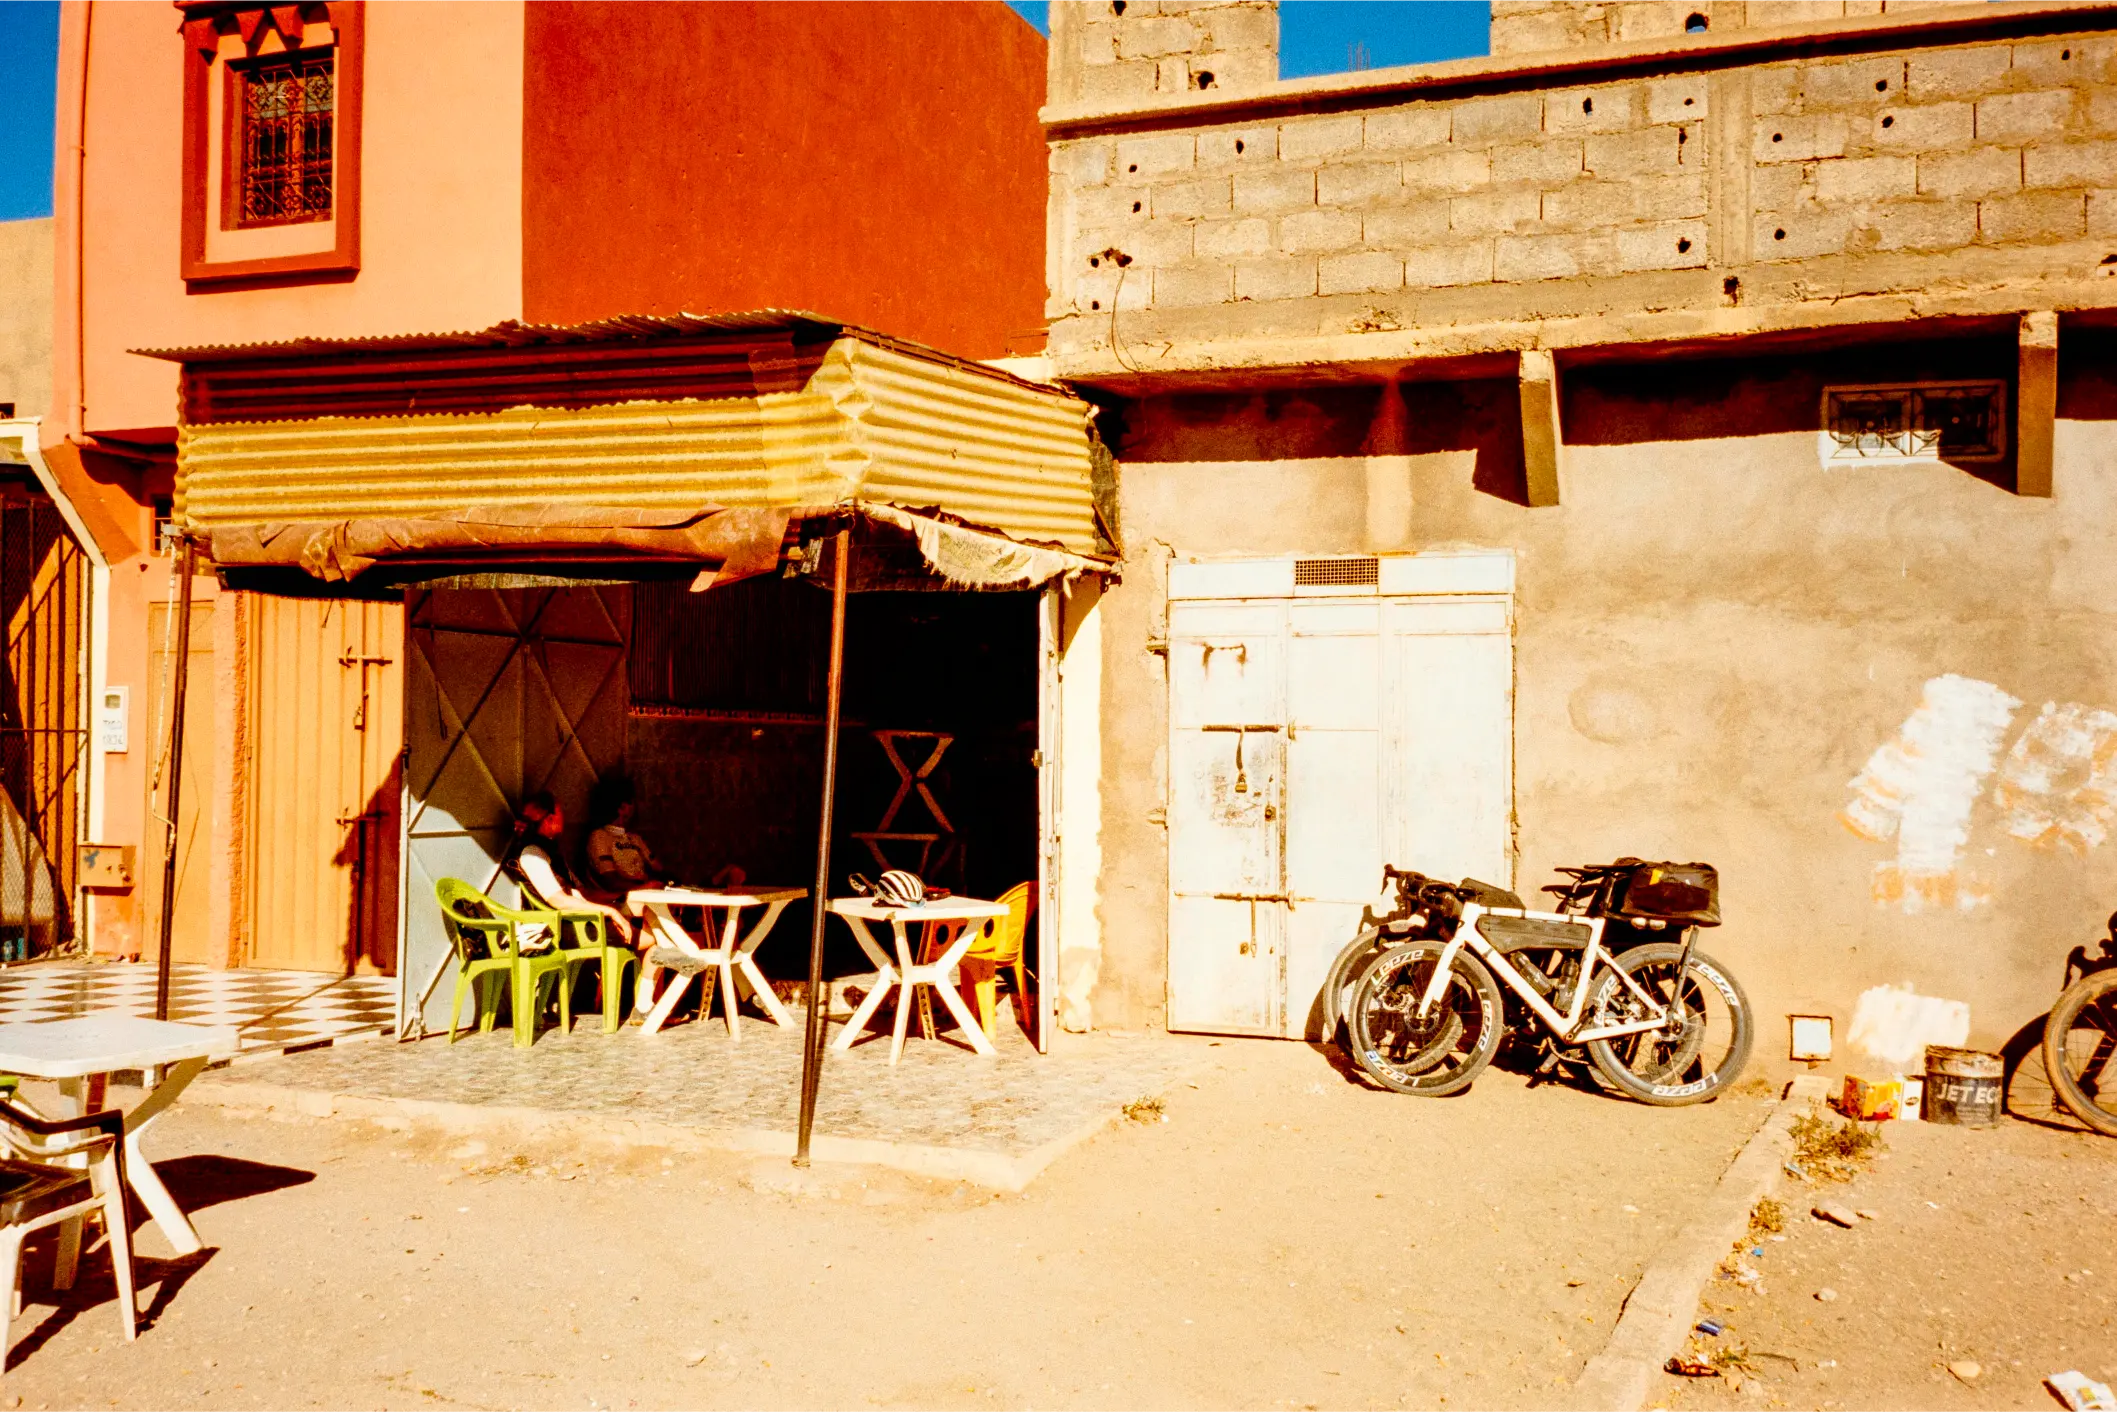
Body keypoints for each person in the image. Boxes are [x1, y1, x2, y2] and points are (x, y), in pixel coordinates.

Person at [506, 792, 650, 1006]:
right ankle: (644, 1005)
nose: (564, 816)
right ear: (550, 819)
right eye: (560, 811)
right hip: (564, 929)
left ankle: (622, 997)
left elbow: (580, 893)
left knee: (647, 915)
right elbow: (559, 900)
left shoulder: (551, 853)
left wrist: (621, 898)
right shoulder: (532, 854)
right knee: (655, 938)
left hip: (577, 921)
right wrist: (610, 912)